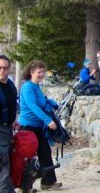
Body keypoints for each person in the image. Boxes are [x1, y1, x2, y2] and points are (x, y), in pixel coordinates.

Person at [18, 60, 62, 191]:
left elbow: (42, 102)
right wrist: (48, 120)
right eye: (39, 72)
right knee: (27, 158)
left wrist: (50, 103)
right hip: (28, 127)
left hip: (39, 127)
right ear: (31, 72)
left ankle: (48, 182)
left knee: (45, 153)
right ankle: (22, 185)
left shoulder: (36, 86)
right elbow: (33, 106)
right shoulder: (27, 87)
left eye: (43, 71)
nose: (42, 74)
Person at [0, 55, 18, 193]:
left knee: (7, 160)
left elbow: (13, 105)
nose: (2, 70)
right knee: (3, 161)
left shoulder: (11, 85)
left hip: (7, 129)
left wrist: (14, 120)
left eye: (5, 68)